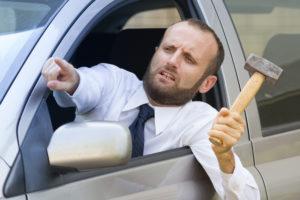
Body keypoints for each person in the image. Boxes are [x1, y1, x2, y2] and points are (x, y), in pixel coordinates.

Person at [42, 19, 259, 199]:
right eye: (168, 49)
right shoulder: (114, 81)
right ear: (155, 53)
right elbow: (86, 84)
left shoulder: (201, 121)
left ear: (207, 84)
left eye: (189, 59)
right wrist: (71, 80)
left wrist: (224, 156)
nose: (173, 61)